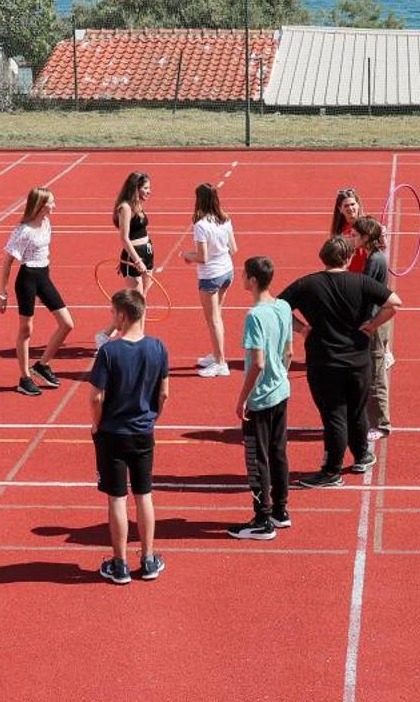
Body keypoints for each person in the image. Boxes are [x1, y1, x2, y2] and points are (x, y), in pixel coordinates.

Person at [283, 235, 401, 489]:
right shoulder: (361, 282)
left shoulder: (307, 284)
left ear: (322, 258)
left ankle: (331, 470)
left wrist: (302, 329)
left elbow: (278, 307)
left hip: (324, 362)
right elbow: (394, 303)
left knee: (334, 415)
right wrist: (371, 325)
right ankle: (362, 455)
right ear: (348, 259)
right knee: (357, 410)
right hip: (358, 361)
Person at [88, 288, 169, 584]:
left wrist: (96, 426)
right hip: (143, 432)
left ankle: (120, 563)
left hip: (113, 433)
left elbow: (95, 397)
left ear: (122, 315)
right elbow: (164, 394)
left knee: (117, 499)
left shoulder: (109, 351)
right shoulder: (158, 348)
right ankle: (148, 559)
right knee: (144, 495)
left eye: (112, 313)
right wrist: (151, 419)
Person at [228, 256, 293, 540]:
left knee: (257, 458)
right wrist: (281, 377)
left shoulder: (254, 316)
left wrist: (243, 397)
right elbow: (288, 352)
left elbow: (258, 362)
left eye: (244, 274)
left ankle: (262, 520)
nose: (241, 277)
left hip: (261, 398)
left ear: (253, 280)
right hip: (281, 391)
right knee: (278, 452)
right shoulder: (283, 306)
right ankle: (280, 510)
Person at [0, 186, 74, 397]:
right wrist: (3, 294)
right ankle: (24, 378)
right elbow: (7, 261)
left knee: (67, 323)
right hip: (28, 279)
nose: (54, 205)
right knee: (26, 330)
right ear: (40, 205)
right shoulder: (24, 231)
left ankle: (42, 365)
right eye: (51, 202)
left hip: (43, 276)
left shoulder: (47, 222)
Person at [178, 182, 236, 377]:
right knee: (217, 317)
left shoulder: (201, 225)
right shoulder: (225, 219)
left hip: (211, 276)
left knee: (213, 320)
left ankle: (221, 363)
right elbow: (234, 249)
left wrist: (186, 255)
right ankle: (217, 353)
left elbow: (202, 257)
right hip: (227, 271)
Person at [354, 216, 394, 442]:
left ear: (366, 238)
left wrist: (365, 323)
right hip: (376, 318)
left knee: (377, 372)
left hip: (376, 321)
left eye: (357, 235)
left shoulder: (375, 261)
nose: (353, 237)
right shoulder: (375, 256)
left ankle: (382, 423)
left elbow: (368, 293)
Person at [112, 172, 156, 297]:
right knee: (138, 301)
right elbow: (124, 238)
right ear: (136, 188)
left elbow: (140, 231)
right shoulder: (125, 208)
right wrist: (135, 260)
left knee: (144, 297)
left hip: (147, 253)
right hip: (136, 258)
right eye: (146, 188)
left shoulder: (138, 205)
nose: (149, 191)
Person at [329, 187, 369, 274]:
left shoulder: (369, 224)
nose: (350, 208)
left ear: (358, 204)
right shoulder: (339, 230)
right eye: (346, 206)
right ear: (340, 209)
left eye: (352, 204)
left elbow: (379, 250)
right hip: (348, 275)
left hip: (367, 273)